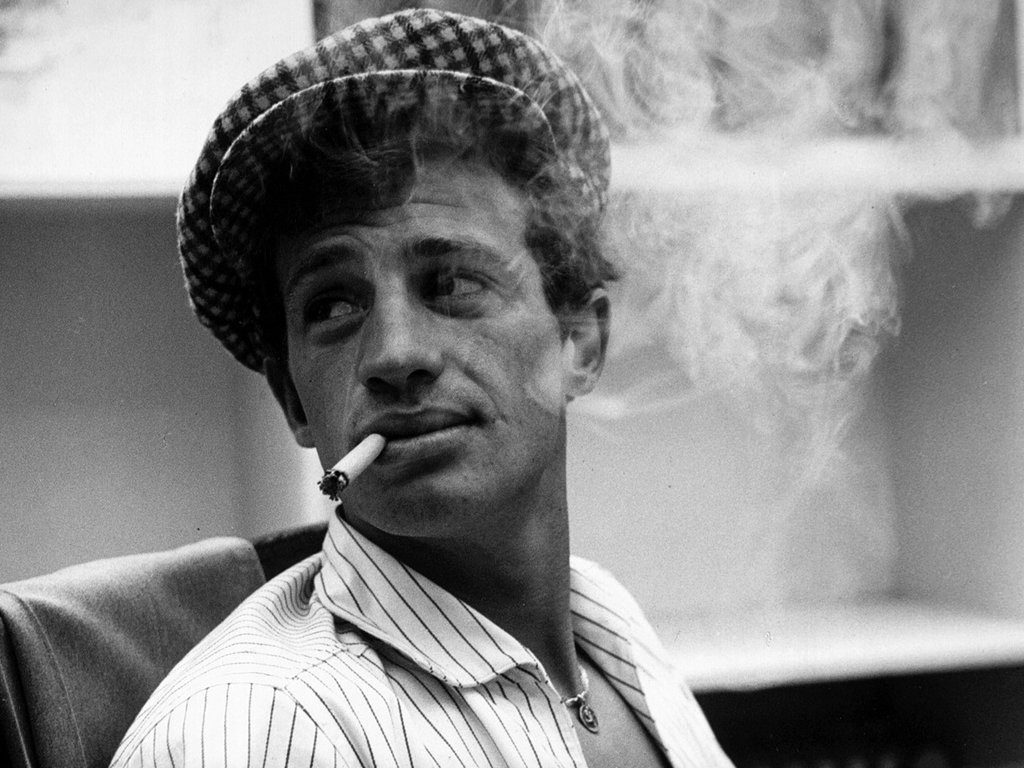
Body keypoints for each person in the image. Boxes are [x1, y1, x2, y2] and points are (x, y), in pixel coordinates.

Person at [110, 8, 733, 768]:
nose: (395, 354)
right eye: (333, 306)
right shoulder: (263, 730)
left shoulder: (606, 625)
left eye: (452, 282)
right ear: (293, 400)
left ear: (579, 341)